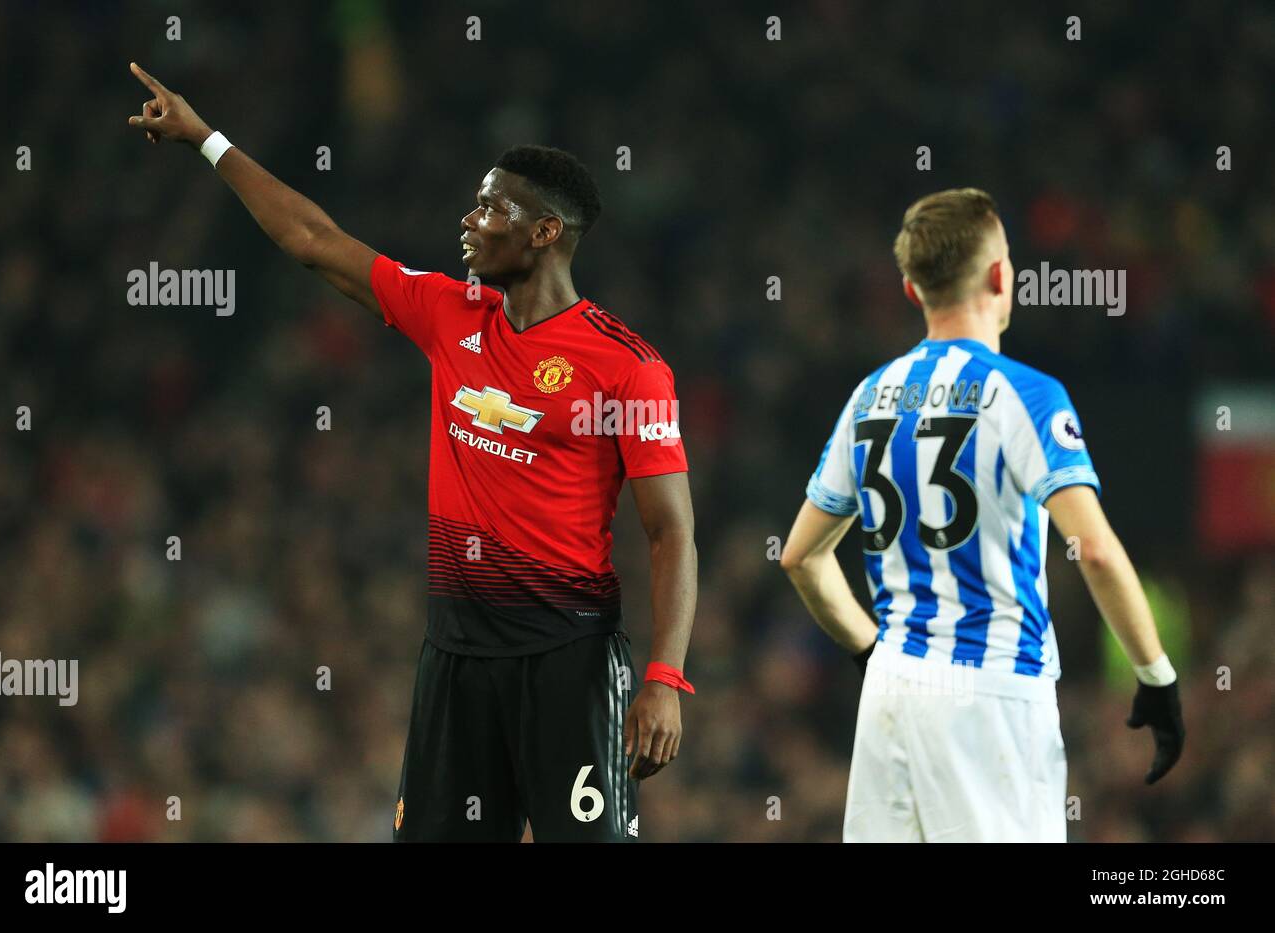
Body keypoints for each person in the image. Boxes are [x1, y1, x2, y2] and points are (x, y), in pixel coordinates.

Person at [127, 62, 698, 842]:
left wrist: (664, 678)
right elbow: (312, 239)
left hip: (565, 659)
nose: (469, 219)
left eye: (492, 207)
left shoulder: (627, 366)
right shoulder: (448, 313)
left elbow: (671, 532)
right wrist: (206, 139)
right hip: (455, 656)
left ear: (544, 232)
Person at [780, 188, 1184, 842]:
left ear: (912, 291)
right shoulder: (1023, 393)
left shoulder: (869, 396)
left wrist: (871, 650)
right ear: (1002, 276)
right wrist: (1155, 676)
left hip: (890, 692)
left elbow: (801, 556)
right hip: (990, 691)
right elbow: (1098, 550)